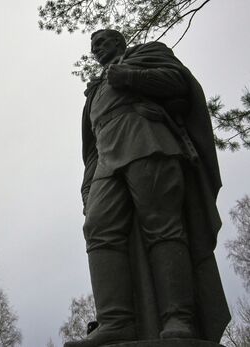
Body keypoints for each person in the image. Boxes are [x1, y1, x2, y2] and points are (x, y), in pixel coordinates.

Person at [66, 29, 230, 347]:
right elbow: (91, 146)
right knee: (98, 228)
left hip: (148, 142)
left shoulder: (148, 53)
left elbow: (178, 82)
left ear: (120, 42)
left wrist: (129, 76)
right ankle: (116, 322)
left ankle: (178, 318)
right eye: (93, 45)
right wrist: (87, 185)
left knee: (164, 228)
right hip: (106, 161)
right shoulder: (95, 90)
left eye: (103, 41)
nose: (97, 48)